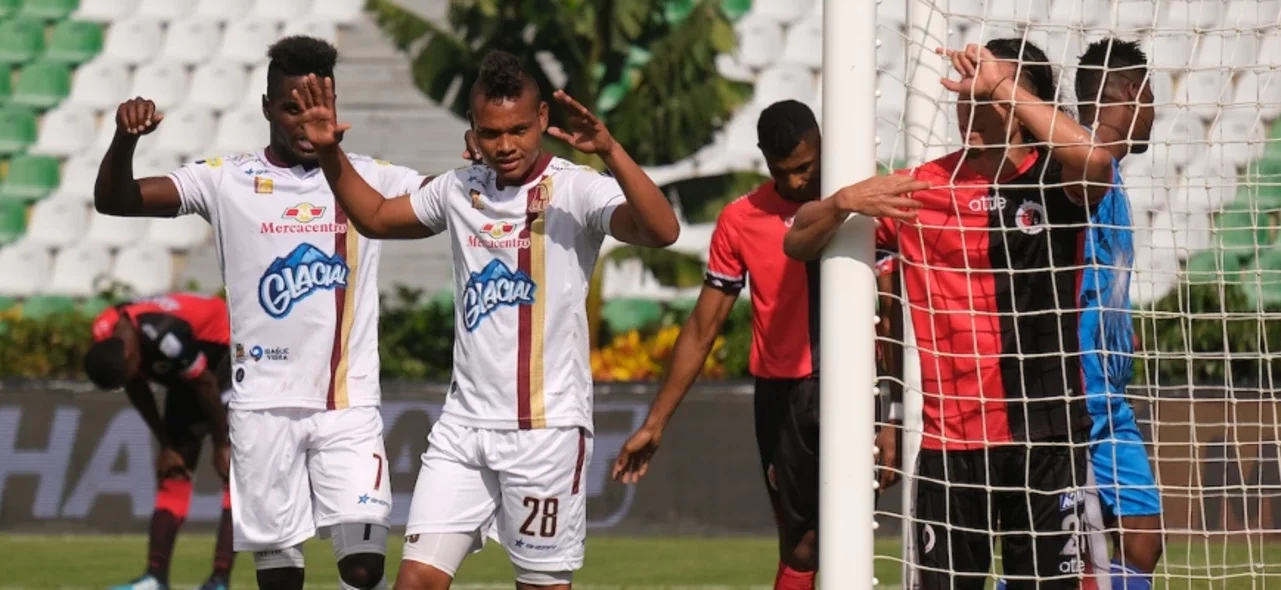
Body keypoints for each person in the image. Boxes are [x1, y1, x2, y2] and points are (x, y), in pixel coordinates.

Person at [290, 49, 680, 589]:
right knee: (415, 582)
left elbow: (662, 231)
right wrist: (332, 152)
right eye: (491, 132)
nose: (505, 145)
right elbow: (376, 217)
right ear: (473, 127)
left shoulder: (575, 189)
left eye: (518, 129)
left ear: (543, 117)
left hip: (545, 431)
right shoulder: (460, 189)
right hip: (463, 431)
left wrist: (610, 150)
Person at [94, 36, 436, 590]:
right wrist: (123, 141)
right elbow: (116, 200)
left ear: (335, 105)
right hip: (261, 410)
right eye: (290, 109)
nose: (305, 122)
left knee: (366, 569)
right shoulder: (225, 178)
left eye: (317, 108)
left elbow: (447, 201)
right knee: (280, 579)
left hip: (346, 406)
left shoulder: (374, 177)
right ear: (266, 108)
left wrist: (479, 171)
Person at [785, 38, 1117, 590]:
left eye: (984, 91)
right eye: (967, 89)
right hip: (950, 446)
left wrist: (1001, 87)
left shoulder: (1056, 183)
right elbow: (798, 242)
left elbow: (1098, 160)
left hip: (1048, 440)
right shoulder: (921, 189)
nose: (970, 100)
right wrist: (844, 201)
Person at [608, 99, 922, 590]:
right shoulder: (741, 219)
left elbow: (892, 315)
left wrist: (895, 417)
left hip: (856, 390)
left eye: (805, 166)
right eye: (784, 171)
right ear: (764, 160)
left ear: (822, 147)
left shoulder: (866, 204)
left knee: (841, 536)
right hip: (783, 399)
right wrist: (656, 422)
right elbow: (703, 327)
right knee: (799, 546)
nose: (797, 181)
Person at [1073, 37, 1162, 589]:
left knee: (1140, 543)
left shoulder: (1114, 176)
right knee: (1061, 553)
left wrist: (1118, 329)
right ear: (1130, 91)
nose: (1154, 111)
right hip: (1073, 395)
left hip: (1111, 396)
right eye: (1151, 95)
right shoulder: (1078, 169)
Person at [84, 293, 234, 590]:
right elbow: (136, 386)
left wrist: (221, 444)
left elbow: (206, 384)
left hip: (227, 366)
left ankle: (219, 580)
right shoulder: (106, 336)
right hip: (188, 376)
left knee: (235, 476)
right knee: (172, 472)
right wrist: (165, 443)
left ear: (130, 357)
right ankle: (155, 579)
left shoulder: (165, 333)